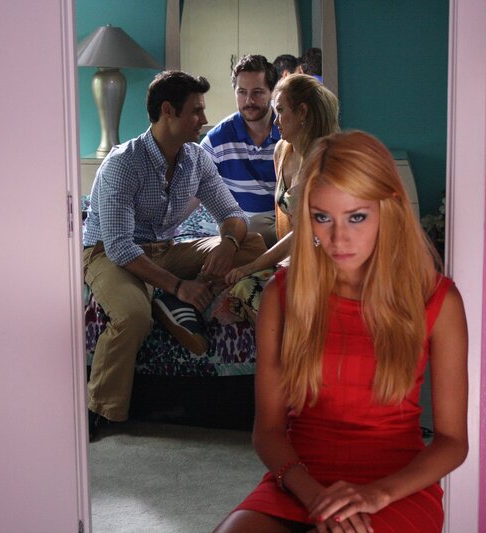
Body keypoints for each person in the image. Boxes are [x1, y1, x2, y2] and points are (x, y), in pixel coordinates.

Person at [214, 131, 469, 532]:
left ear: (390, 208)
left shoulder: (438, 300)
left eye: (356, 217)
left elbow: (453, 442)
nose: (338, 238)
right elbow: (267, 431)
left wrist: (375, 495)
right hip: (299, 479)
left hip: (395, 487)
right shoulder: (282, 296)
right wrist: (314, 496)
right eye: (322, 218)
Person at [83, 71, 266, 438]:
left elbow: (233, 216)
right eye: (196, 111)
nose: (203, 119)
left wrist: (227, 244)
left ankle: (169, 299)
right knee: (134, 317)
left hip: (166, 250)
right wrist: (179, 286)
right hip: (111, 254)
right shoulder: (123, 163)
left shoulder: (196, 159)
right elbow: (119, 246)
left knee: (252, 245)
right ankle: (98, 410)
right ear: (168, 111)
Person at [222, 74, 339, 321]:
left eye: (281, 111)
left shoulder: (326, 162)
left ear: (302, 112)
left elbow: (307, 231)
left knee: (250, 286)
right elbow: (283, 220)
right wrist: (278, 263)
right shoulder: (282, 151)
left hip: (327, 260)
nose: (275, 121)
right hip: (296, 256)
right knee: (240, 288)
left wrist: (255, 265)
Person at [201, 55, 281, 247]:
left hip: (282, 227)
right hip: (237, 230)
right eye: (242, 92)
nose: (249, 100)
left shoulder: (288, 133)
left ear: (272, 92)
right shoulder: (216, 140)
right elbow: (192, 189)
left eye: (257, 92)